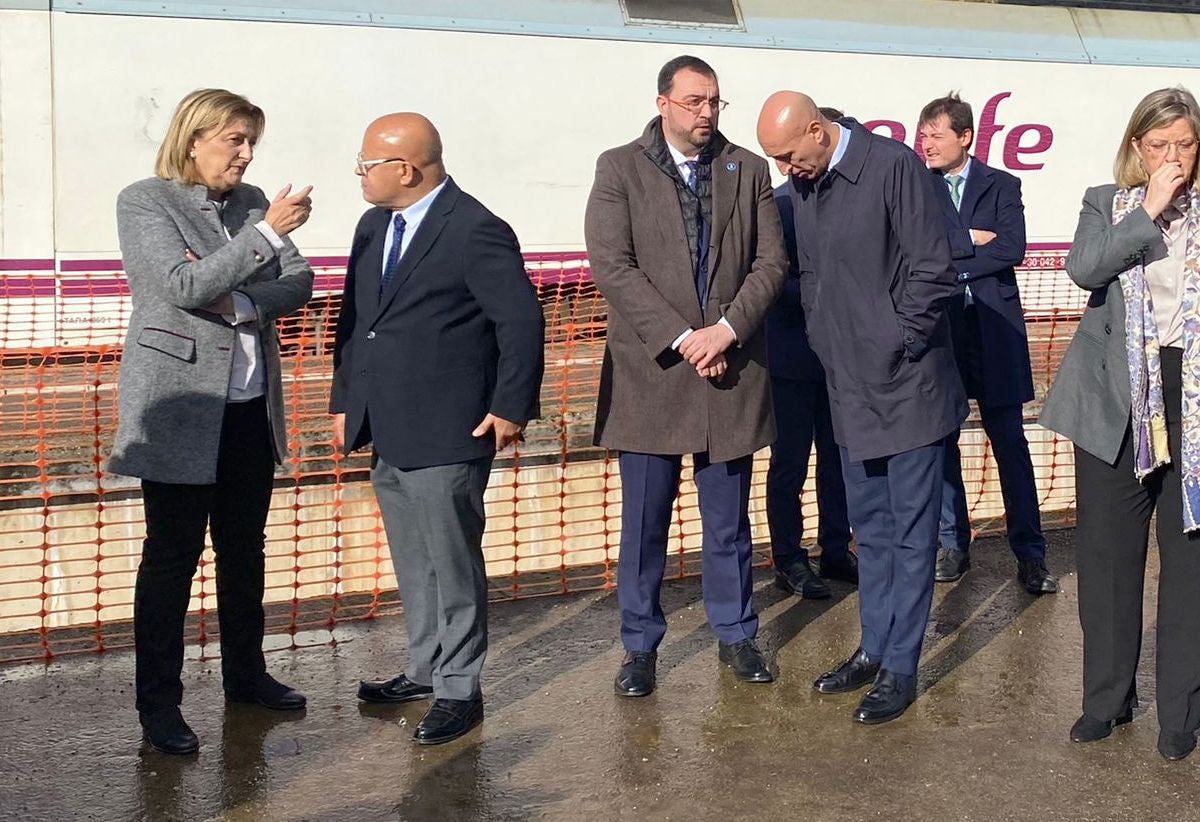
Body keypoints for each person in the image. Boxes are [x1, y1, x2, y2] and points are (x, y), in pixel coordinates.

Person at [1038, 87, 1200, 762]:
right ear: (1135, 149)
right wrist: (1145, 210)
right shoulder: (1102, 204)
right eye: (1158, 145)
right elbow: (1084, 269)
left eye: (1183, 144)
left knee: (1196, 562)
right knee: (1108, 561)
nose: (1172, 156)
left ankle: (1181, 712)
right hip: (1117, 400)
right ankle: (1106, 702)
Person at [110, 89, 315, 755]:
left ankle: (246, 676)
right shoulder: (146, 200)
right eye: (235, 139)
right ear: (195, 138)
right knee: (171, 558)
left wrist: (242, 299)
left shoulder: (253, 203)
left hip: (250, 411)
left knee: (244, 549)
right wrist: (264, 239)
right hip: (182, 412)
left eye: (252, 140)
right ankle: (158, 708)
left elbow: (299, 283)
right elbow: (179, 285)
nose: (247, 154)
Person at [332, 112, 545, 745]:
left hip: (451, 428)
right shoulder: (374, 226)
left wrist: (510, 407)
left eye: (368, 162)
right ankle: (425, 668)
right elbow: (356, 320)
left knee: (451, 564)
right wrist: (348, 397)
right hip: (387, 424)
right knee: (414, 560)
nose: (359, 173)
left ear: (406, 169)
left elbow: (520, 324)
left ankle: (459, 690)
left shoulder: (475, 230)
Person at [758, 91, 968, 725]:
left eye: (790, 155)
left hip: (908, 387)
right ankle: (873, 648)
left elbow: (934, 270)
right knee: (870, 532)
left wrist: (892, 342)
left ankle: (902, 666)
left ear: (819, 132)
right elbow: (817, 278)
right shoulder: (810, 186)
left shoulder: (894, 167)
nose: (786, 170)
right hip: (847, 385)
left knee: (911, 535)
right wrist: (828, 341)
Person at [585, 55, 788, 697]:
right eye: (696, 101)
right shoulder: (619, 167)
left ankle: (736, 635)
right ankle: (640, 646)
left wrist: (725, 330)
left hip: (729, 371)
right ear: (663, 102)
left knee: (727, 523)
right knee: (645, 522)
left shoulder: (748, 169)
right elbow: (612, 266)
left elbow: (771, 263)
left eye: (715, 102)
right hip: (653, 376)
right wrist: (683, 338)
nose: (707, 113)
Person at [917, 93, 1058, 595]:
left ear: (965, 137)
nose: (926, 144)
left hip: (996, 333)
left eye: (936, 135)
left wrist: (954, 262)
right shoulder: (917, 187)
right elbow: (919, 250)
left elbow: (1011, 247)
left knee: (1010, 447)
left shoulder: (1002, 184)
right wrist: (969, 242)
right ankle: (954, 545)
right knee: (944, 444)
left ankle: (1031, 555)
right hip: (944, 335)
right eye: (922, 135)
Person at [765, 107, 858, 600]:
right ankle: (789, 559)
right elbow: (770, 279)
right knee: (790, 464)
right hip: (792, 359)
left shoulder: (845, 200)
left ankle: (836, 550)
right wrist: (828, 292)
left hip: (839, 360)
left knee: (838, 460)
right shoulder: (779, 206)